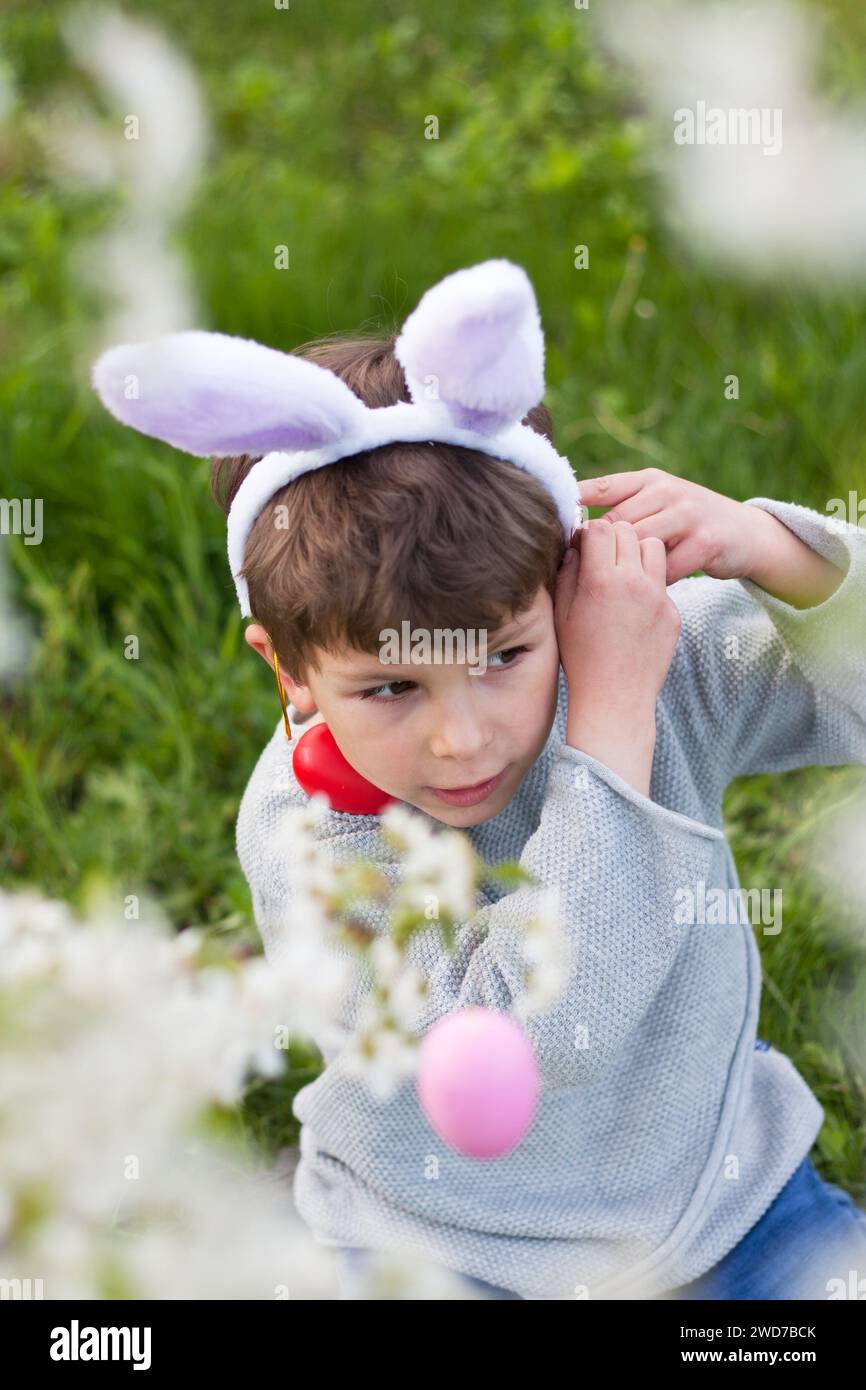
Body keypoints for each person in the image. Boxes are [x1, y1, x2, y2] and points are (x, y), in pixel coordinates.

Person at [92, 260, 866, 1300]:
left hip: (721, 1210)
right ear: (285, 668)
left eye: (503, 656)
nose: (462, 739)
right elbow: (538, 1035)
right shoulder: (311, 829)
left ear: (566, 587)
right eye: (392, 686)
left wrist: (776, 553)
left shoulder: (639, 657)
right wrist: (604, 728)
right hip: (442, 1237)